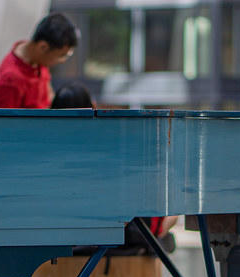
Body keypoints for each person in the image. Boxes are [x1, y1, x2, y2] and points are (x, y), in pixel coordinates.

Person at [49, 82, 178, 253]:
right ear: (92, 107)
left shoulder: (50, 151)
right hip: (120, 233)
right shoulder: (106, 144)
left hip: (73, 233)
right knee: (169, 218)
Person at [0, 12, 79, 109]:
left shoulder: (39, 60)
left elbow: (49, 96)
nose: (62, 61)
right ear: (43, 47)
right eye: (61, 55)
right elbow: (3, 123)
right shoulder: (10, 80)